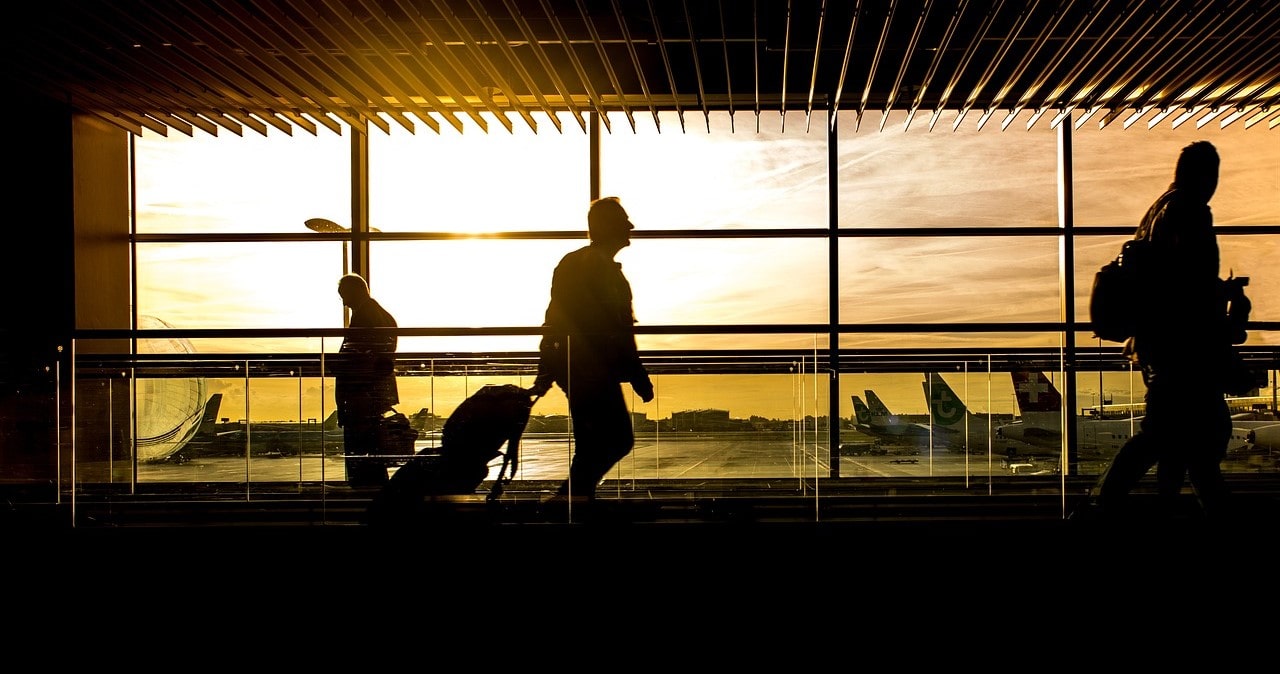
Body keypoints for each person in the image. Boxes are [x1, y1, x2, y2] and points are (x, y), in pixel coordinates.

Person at [1093, 140, 1240, 520]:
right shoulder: (1190, 211)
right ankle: (1106, 503)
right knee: (1186, 438)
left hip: (1158, 345)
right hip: (1184, 348)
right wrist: (1222, 296)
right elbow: (1189, 286)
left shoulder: (1157, 212)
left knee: (1174, 438)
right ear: (1206, 175)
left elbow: (1167, 283)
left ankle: (1130, 506)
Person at [529, 196, 655, 505]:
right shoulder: (598, 269)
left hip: (580, 367)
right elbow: (615, 329)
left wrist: (547, 370)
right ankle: (571, 500)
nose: (631, 226)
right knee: (617, 439)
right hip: (590, 368)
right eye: (623, 220)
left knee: (594, 442)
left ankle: (574, 500)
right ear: (608, 227)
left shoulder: (581, 264)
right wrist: (637, 374)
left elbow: (556, 319)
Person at [333, 273, 399, 488]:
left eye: (344, 295)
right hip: (372, 395)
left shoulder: (365, 317)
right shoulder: (383, 315)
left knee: (361, 456)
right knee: (372, 456)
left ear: (356, 291)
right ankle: (375, 498)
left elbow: (359, 360)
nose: (343, 301)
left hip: (360, 396)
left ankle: (365, 499)